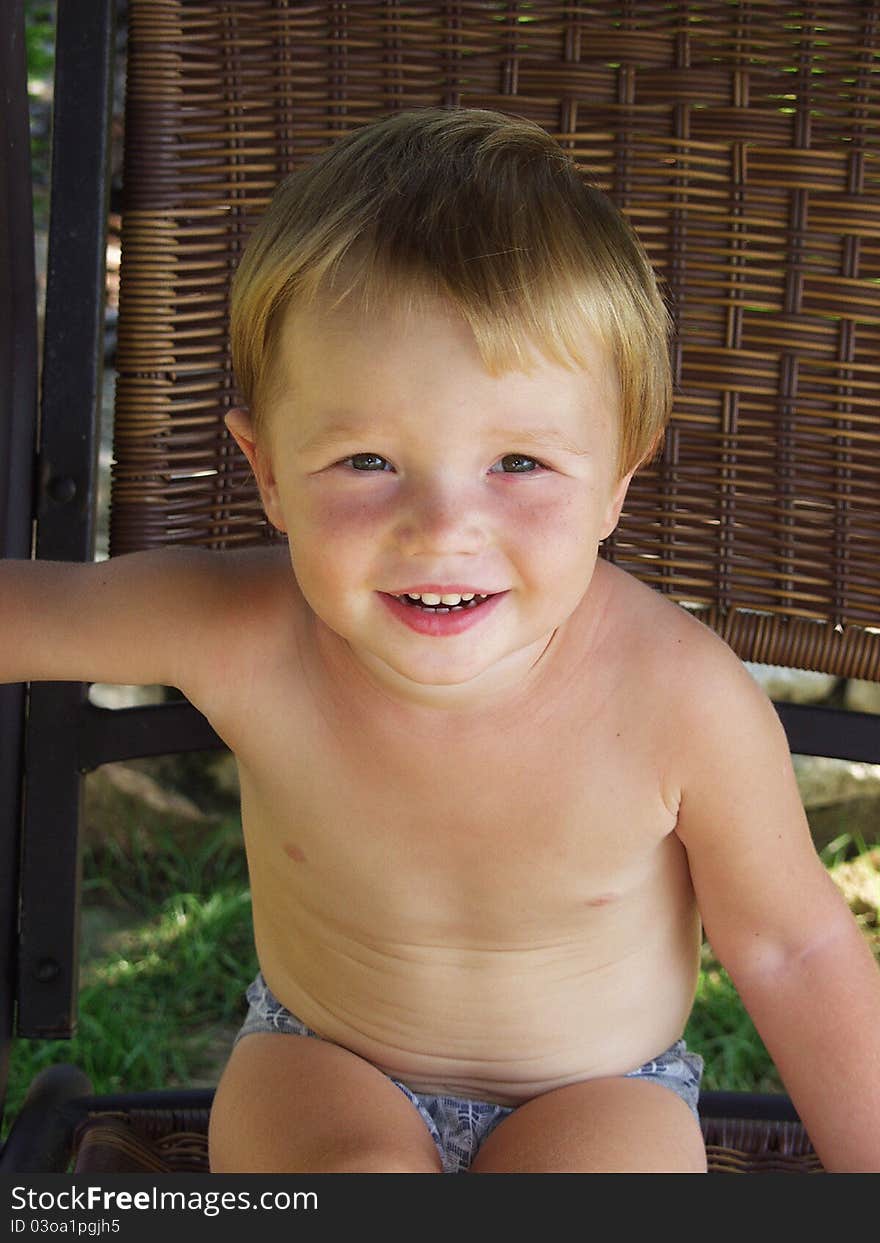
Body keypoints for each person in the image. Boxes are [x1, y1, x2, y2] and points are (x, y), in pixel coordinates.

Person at [3, 107, 879, 1174]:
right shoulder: (241, 628)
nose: (444, 529)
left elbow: (796, 947)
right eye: (367, 459)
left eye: (518, 463)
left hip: (601, 1089)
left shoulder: (679, 699)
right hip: (322, 1064)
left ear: (618, 477)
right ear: (268, 471)